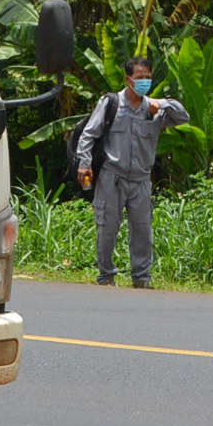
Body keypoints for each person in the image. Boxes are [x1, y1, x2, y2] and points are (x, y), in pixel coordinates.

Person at [74, 57, 187, 288]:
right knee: (107, 227)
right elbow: (88, 135)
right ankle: (106, 275)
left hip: (141, 180)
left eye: (147, 77)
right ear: (128, 79)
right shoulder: (111, 103)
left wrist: (163, 104)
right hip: (111, 177)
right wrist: (84, 164)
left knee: (143, 230)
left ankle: (142, 278)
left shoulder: (153, 109)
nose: (144, 81)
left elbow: (183, 116)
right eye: (139, 78)